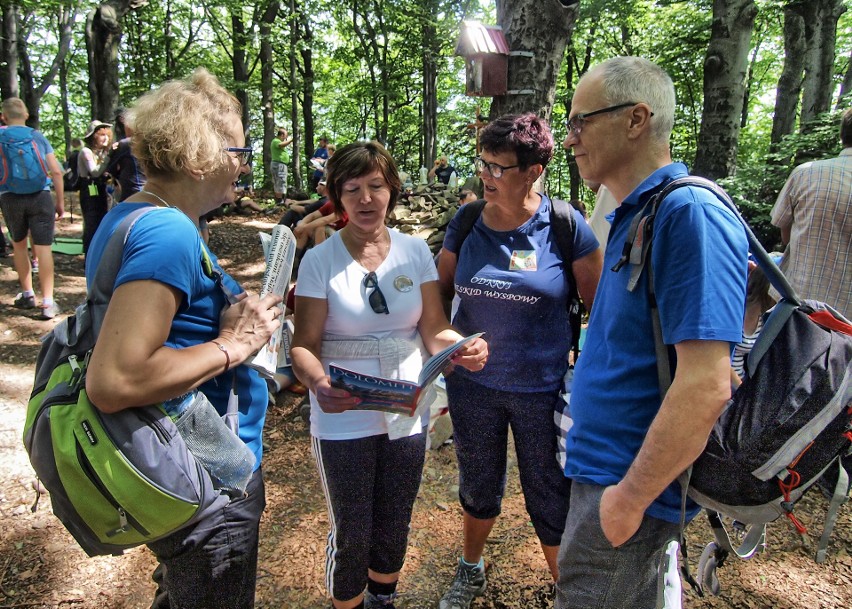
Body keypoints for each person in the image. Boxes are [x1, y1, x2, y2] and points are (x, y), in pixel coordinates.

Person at [83, 68, 283, 609]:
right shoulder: (169, 232)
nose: (244, 164)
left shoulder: (132, 215)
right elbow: (115, 378)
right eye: (239, 149)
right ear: (201, 157)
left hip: (182, 462)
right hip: (207, 477)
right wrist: (234, 346)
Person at [557, 56, 748, 609]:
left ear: (636, 118)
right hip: (606, 474)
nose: (570, 139)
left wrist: (630, 499)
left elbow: (707, 383)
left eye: (580, 122)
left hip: (628, 488)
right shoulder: (635, 213)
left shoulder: (688, 212)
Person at [290, 141, 488, 609]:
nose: (365, 199)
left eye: (375, 186)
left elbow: (434, 327)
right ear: (337, 196)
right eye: (352, 188)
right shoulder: (321, 260)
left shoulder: (414, 251)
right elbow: (302, 345)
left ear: (391, 190)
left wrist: (460, 347)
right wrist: (318, 383)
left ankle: (384, 599)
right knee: (353, 528)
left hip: (406, 406)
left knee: (395, 517)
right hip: (344, 410)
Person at [436, 113, 603, 609]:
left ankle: (566, 589)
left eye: (498, 167)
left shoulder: (566, 225)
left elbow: (603, 312)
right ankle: (471, 568)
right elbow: (436, 295)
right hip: (474, 388)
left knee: (549, 493)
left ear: (534, 171)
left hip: (543, 390)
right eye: (482, 163)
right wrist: (447, 343)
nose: (485, 175)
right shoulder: (466, 222)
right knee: (478, 483)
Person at [770, 107, 851, 319]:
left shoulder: (807, 172)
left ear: (842, 135)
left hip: (794, 308)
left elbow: (785, 235)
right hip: (846, 325)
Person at [0, 97, 65, 319]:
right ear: (26, 114)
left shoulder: (0, 136)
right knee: (43, 247)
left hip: (9, 197)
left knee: (19, 246)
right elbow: (55, 171)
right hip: (40, 196)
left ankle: (28, 294)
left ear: (4, 117)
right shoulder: (37, 136)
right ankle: (47, 302)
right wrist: (60, 202)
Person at [77, 119, 112, 254]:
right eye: (101, 135)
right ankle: (89, 257)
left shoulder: (101, 153)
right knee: (91, 223)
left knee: (101, 221)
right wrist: (109, 158)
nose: (105, 138)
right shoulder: (86, 152)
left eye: (106, 134)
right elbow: (95, 172)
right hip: (89, 189)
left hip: (101, 189)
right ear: (93, 137)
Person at [105, 109, 146, 202]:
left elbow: (110, 168)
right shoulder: (148, 141)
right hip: (148, 189)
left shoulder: (126, 144)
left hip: (131, 189)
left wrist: (112, 151)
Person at [270, 127, 293, 205]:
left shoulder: (276, 141)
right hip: (279, 164)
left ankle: (280, 200)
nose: (286, 138)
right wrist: (291, 140)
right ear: (282, 135)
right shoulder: (276, 141)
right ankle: (281, 201)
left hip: (279, 164)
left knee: (279, 181)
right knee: (280, 181)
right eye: (286, 136)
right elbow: (281, 145)